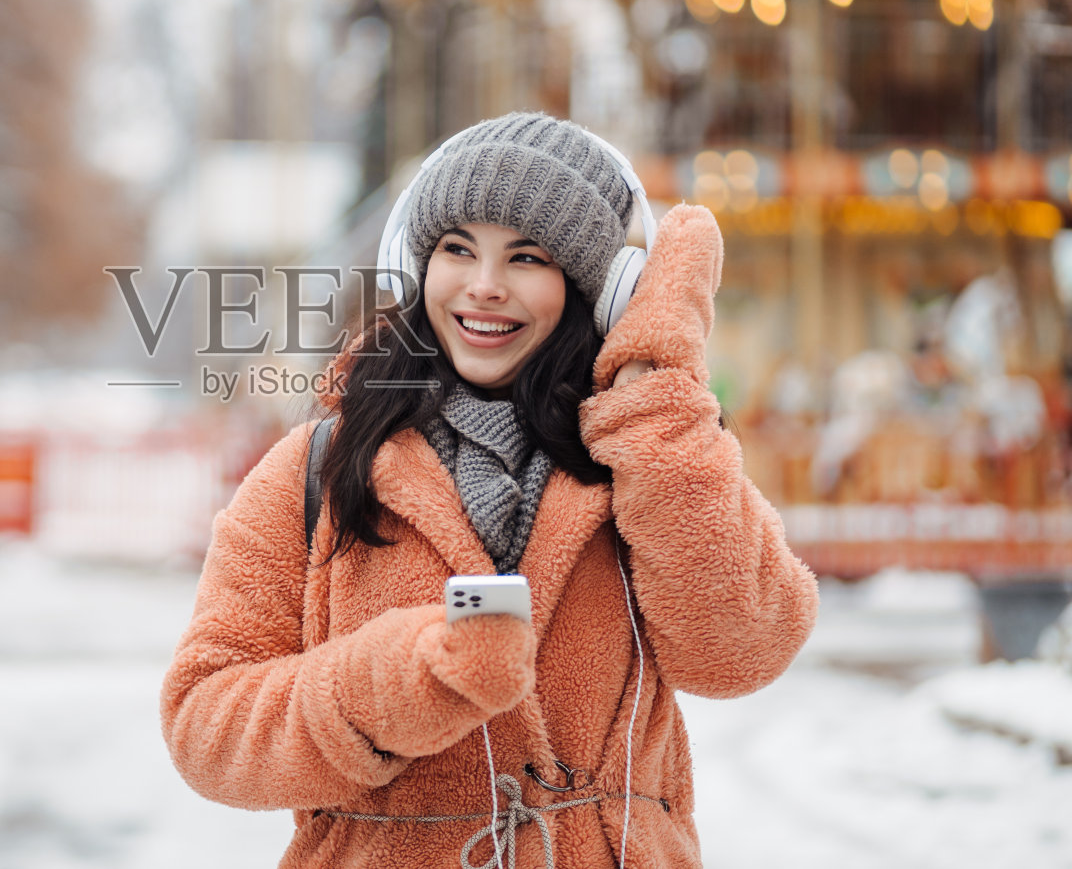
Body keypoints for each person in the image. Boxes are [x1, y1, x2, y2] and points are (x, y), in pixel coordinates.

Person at [161, 112, 818, 869]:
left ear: (596, 291)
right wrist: (399, 683)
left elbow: (742, 651)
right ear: (416, 267)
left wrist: (653, 393)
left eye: (527, 257)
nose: (483, 286)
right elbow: (203, 724)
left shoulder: (653, 450)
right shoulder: (319, 466)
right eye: (456, 248)